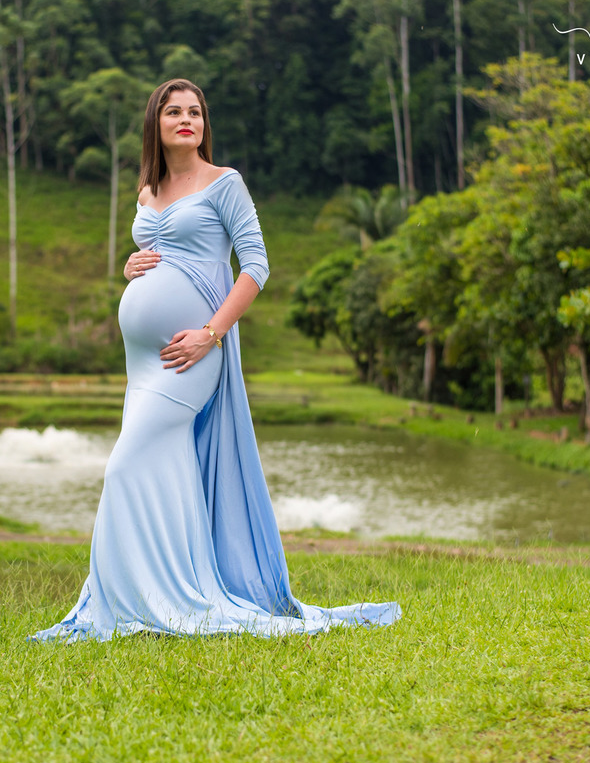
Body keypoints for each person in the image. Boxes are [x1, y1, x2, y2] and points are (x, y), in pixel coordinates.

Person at [31, 79, 401, 642]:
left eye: (196, 112)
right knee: (166, 469)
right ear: (155, 122)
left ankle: (162, 598)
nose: (187, 119)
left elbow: (256, 265)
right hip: (142, 364)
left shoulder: (224, 183)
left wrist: (211, 332)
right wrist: (131, 268)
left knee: (123, 467)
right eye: (174, 111)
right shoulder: (146, 191)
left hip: (192, 354)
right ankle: (142, 597)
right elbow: (164, 254)